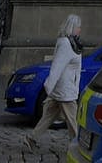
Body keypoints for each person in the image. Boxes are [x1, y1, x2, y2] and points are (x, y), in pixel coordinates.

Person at [29, 15, 84, 151]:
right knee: (73, 121)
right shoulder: (66, 44)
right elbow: (57, 66)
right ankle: (77, 146)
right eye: (78, 27)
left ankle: (31, 138)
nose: (80, 30)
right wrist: (49, 86)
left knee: (48, 116)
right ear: (72, 27)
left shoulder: (71, 42)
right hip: (65, 91)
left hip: (63, 89)